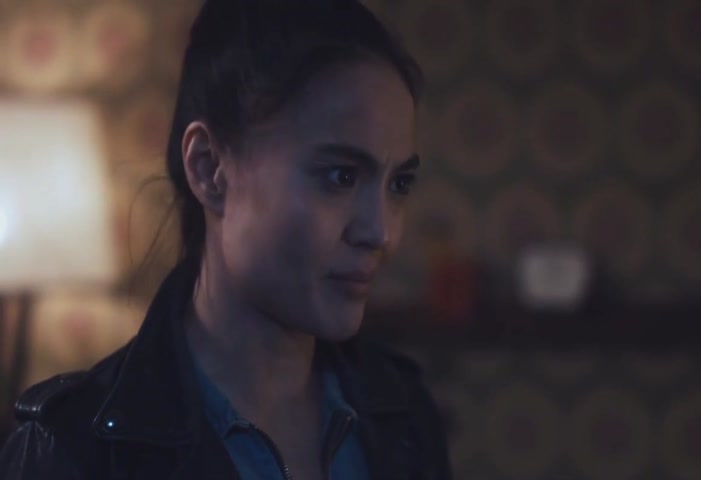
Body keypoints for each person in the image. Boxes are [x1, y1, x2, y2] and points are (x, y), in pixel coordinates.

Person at [0, 0, 452, 478]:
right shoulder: (73, 450)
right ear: (209, 169)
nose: (382, 232)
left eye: (399, 184)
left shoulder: (403, 415)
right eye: (341, 176)